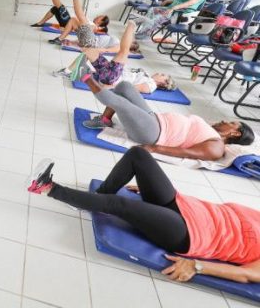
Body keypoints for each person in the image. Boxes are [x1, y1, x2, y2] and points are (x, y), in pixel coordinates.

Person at [27, 147, 260, 284]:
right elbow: (223, 212)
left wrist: (197, 267)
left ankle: (47, 188)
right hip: (185, 206)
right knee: (138, 154)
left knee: (120, 205)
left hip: (187, 234)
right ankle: (95, 199)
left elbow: (247, 274)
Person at [78, 77, 254, 161]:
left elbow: (187, 153)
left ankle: (86, 77)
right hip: (154, 118)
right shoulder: (211, 129)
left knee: (121, 103)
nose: (224, 121)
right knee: (125, 87)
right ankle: (105, 120)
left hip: (152, 133)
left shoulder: (216, 146)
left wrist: (154, 148)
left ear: (235, 132)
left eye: (231, 123)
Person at [54, 21, 176, 94]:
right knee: (88, 49)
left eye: (162, 75)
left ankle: (131, 25)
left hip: (112, 78)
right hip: (111, 72)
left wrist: (111, 87)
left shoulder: (151, 85)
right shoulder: (147, 76)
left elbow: (130, 89)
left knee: (124, 51)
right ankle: (68, 71)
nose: (159, 73)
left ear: (163, 82)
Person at [34, 0, 112, 47]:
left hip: (90, 42)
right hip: (83, 38)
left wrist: (87, 24)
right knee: (73, 19)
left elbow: (91, 30)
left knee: (80, 16)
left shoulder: (96, 27)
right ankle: (59, 39)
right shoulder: (90, 23)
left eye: (99, 17)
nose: (97, 16)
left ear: (101, 22)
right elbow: (84, 29)